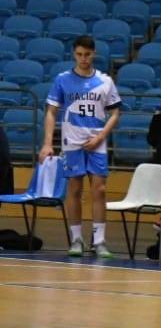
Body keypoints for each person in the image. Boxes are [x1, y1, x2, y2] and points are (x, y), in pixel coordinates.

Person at [41, 35, 121, 258]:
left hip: (97, 142)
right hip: (72, 142)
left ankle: (99, 241)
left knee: (100, 190)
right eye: (79, 54)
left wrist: (101, 136)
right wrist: (47, 143)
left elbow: (115, 113)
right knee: (74, 190)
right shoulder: (62, 79)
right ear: (74, 54)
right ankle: (76, 239)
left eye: (87, 54)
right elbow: (51, 111)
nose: (83, 58)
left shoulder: (105, 81)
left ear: (94, 53)